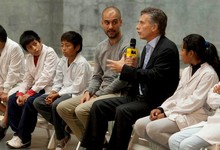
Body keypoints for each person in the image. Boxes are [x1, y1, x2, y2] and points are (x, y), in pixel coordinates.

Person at [80, 7, 180, 150]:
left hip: (154, 101)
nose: (137, 27)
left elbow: (155, 76)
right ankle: (93, 147)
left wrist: (125, 69)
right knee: (98, 106)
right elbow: (143, 73)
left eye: (141, 23)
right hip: (138, 97)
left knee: (123, 111)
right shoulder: (148, 47)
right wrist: (132, 69)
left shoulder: (167, 48)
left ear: (154, 27)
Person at [56, 6, 130, 143]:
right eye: (107, 22)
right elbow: (97, 76)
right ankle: (96, 143)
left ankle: (95, 143)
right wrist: (89, 91)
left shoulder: (128, 47)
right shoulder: (100, 47)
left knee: (81, 110)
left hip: (118, 93)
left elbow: (123, 80)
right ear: (102, 23)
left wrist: (98, 95)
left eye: (114, 22)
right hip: (100, 91)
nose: (110, 26)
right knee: (63, 108)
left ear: (121, 22)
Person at [134, 35, 220, 150]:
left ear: (191, 53)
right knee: (139, 125)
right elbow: (177, 95)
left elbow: (194, 102)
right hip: (179, 112)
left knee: (152, 128)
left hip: (195, 115)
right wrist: (162, 109)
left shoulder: (208, 74)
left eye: (183, 49)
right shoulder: (187, 71)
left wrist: (167, 113)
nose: (180, 53)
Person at [33, 31, 92, 150]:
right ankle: (66, 126)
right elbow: (58, 80)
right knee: (38, 102)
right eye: (62, 45)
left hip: (77, 95)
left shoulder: (82, 63)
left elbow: (77, 87)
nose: (64, 49)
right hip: (63, 92)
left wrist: (57, 95)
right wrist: (54, 92)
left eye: (68, 45)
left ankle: (61, 138)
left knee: (56, 104)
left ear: (77, 47)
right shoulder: (62, 60)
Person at [6, 30, 59, 149]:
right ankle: (18, 133)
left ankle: (23, 137)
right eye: (30, 47)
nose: (34, 48)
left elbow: (47, 76)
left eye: (35, 44)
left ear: (40, 41)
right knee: (12, 99)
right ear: (26, 50)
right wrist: (21, 93)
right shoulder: (29, 58)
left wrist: (29, 93)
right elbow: (27, 78)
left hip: (50, 89)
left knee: (30, 102)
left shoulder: (50, 52)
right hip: (36, 88)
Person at [168, 82, 220, 150]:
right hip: (212, 122)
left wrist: (217, 95)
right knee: (174, 140)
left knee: (186, 145)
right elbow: (211, 102)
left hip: (217, 128)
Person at [0, 25, 25, 140]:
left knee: (10, 97)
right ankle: (9, 116)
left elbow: (13, 73)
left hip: (18, 83)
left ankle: (4, 123)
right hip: (5, 83)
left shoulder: (14, 48)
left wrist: (5, 91)